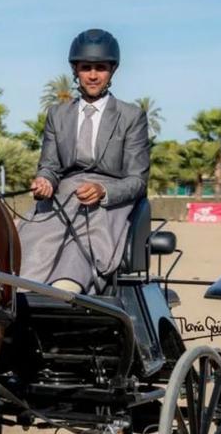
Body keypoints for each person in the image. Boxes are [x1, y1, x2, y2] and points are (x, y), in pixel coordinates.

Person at [18, 29, 150, 294]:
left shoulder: (131, 116)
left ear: (112, 71)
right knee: (37, 232)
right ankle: (21, 289)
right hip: (63, 193)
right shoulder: (57, 114)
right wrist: (45, 180)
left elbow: (138, 180)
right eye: (86, 67)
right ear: (75, 70)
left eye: (100, 68)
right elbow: (50, 165)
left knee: (89, 236)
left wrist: (104, 192)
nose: (92, 75)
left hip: (109, 202)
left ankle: (67, 288)